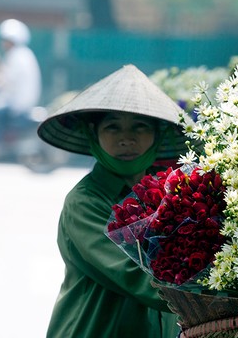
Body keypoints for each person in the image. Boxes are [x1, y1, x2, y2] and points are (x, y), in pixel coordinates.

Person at [37, 64, 197, 337]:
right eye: (113, 127)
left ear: (157, 135)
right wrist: (210, 299)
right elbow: (131, 274)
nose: (127, 138)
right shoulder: (85, 202)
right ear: (93, 133)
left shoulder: (171, 196)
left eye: (140, 126)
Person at [0, 18, 42, 160]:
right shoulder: (22, 54)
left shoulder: (18, 56)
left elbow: (6, 80)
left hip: (19, 103)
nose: (2, 43)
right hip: (19, 100)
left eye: (5, 40)